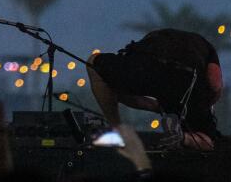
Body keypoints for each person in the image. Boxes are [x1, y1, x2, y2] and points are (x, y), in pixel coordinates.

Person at [87, 27, 223, 168]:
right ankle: (183, 138)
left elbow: (116, 93)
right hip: (185, 78)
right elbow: (215, 83)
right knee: (208, 142)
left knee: (94, 63)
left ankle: (116, 129)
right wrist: (202, 106)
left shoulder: (160, 37)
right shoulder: (207, 47)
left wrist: (158, 107)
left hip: (145, 64)